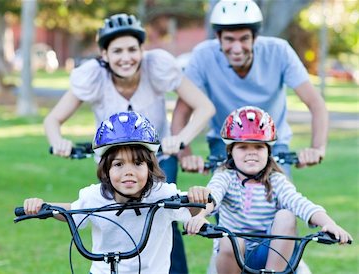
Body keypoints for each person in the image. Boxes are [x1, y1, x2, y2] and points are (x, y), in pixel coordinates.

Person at [43, 13, 215, 273]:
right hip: (114, 161)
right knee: (109, 215)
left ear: (142, 50)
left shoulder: (156, 67)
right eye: (117, 51)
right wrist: (59, 142)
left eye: (132, 49)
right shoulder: (93, 77)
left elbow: (204, 107)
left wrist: (179, 140)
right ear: (104, 54)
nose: (126, 57)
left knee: (163, 216)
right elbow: (53, 120)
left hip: (154, 158)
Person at [25, 111, 212, 274]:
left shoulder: (161, 194)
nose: (128, 171)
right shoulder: (96, 196)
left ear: (150, 167)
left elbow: (199, 206)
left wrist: (199, 198)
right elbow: (73, 211)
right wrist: (44, 207)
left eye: (137, 163)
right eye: (119, 164)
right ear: (106, 170)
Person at [184, 106, 353, 274]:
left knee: (286, 216)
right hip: (233, 256)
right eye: (242, 147)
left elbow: (300, 203)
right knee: (231, 240)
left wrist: (329, 224)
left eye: (259, 147)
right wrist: (200, 216)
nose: (251, 153)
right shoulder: (225, 177)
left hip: (270, 254)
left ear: (269, 151)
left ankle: (273, 273)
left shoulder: (276, 180)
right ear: (230, 152)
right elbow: (212, 196)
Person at [172, 0, 328, 176]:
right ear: (218, 37)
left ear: (255, 37)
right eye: (229, 39)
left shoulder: (279, 51)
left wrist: (317, 149)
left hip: (272, 143)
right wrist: (186, 155)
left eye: (244, 39)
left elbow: (315, 103)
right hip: (224, 144)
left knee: (283, 196)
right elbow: (181, 112)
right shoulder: (203, 56)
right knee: (221, 197)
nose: (237, 48)